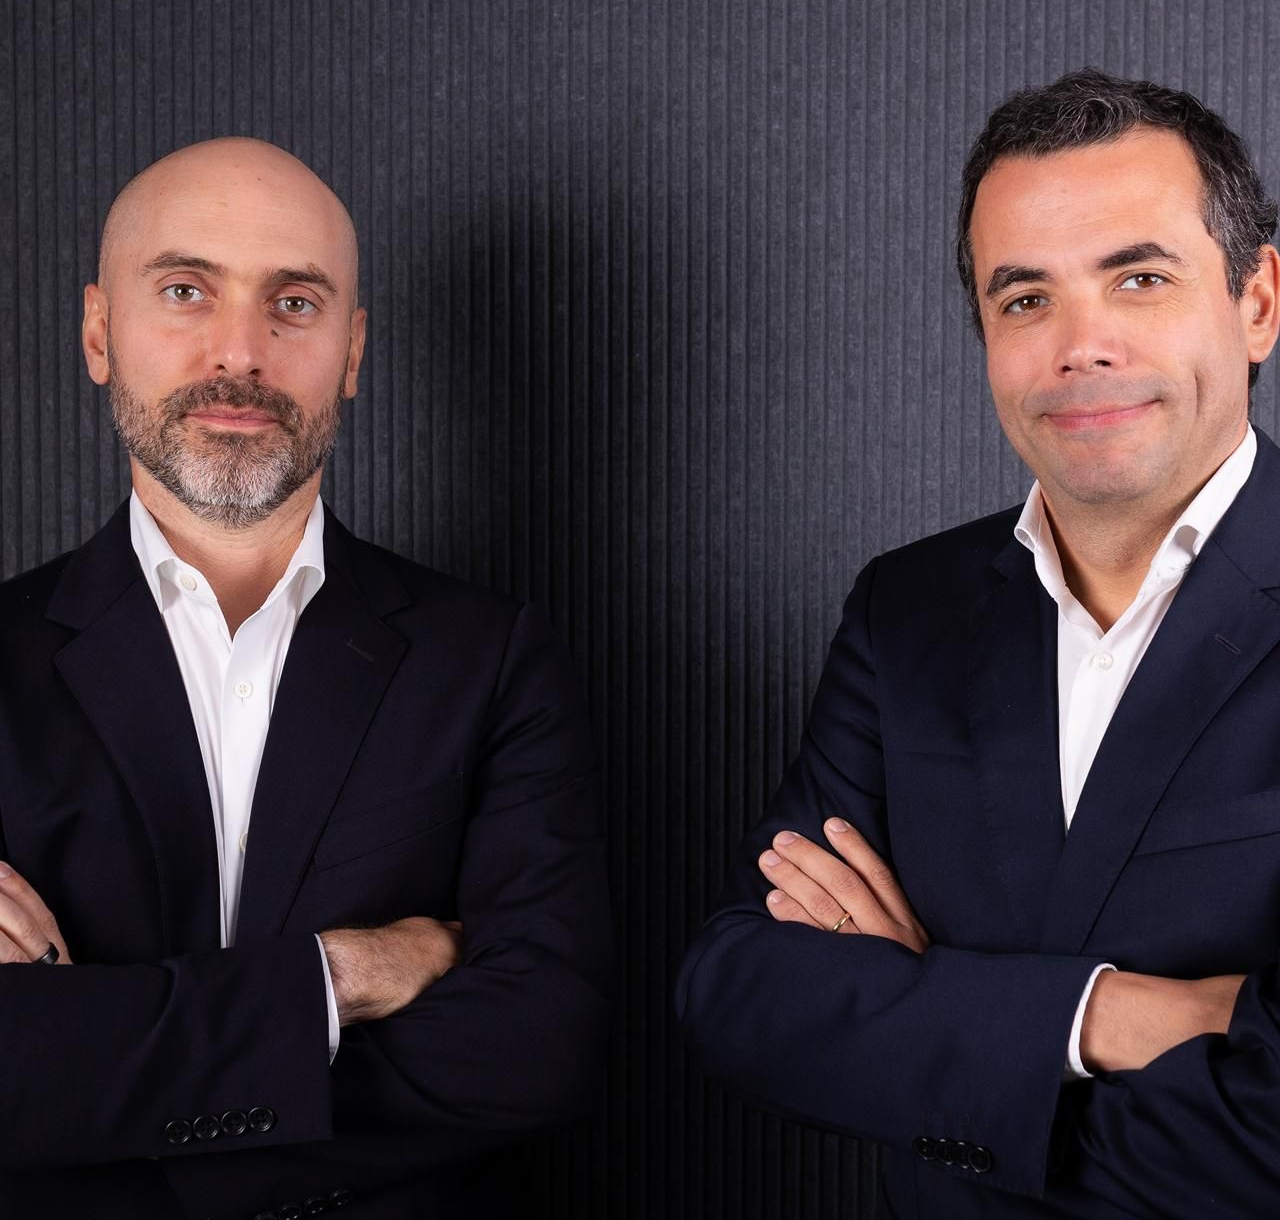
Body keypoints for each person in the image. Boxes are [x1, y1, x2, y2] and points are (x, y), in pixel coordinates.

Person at [677, 68, 1280, 1218]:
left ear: (1254, 300)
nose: (1079, 345)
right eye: (1024, 297)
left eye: (1137, 278)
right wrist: (1107, 1016)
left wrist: (931, 1020)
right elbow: (741, 992)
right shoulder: (905, 609)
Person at [0, 137, 609, 1219]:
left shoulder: (493, 658)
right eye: (185, 291)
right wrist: (339, 975)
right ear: (98, 331)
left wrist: (96, 1077)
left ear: (352, 350)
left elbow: (536, 1047)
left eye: (293, 302)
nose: (240, 352)